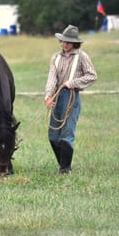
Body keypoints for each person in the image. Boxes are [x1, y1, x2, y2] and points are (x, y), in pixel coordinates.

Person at [44, 25, 98, 173]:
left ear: (75, 43)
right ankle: (63, 164)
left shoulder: (82, 56)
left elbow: (92, 75)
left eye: (68, 42)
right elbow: (52, 77)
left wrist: (72, 83)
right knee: (53, 135)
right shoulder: (56, 58)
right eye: (63, 41)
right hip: (57, 96)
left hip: (71, 97)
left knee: (67, 133)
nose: (64, 44)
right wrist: (48, 95)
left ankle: (65, 168)